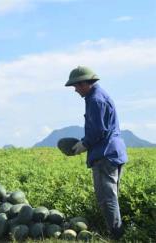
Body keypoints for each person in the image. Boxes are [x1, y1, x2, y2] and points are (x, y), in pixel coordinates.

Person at [65, 66, 127, 240]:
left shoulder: (95, 99)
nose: (75, 90)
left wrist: (84, 144)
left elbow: (98, 130)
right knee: (111, 197)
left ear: (86, 83)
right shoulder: (96, 96)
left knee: (106, 199)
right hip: (112, 152)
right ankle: (117, 232)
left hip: (105, 155)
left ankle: (116, 236)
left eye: (76, 86)